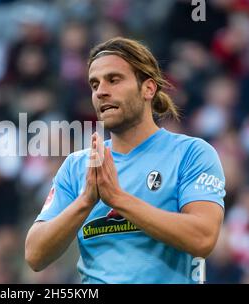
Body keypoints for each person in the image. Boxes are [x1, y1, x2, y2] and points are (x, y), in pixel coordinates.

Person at [24, 37, 226, 284]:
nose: (101, 91)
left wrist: (117, 199)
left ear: (148, 89)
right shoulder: (78, 166)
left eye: (114, 79)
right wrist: (86, 200)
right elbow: (35, 255)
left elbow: (202, 239)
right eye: (94, 84)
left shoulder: (191, 154)